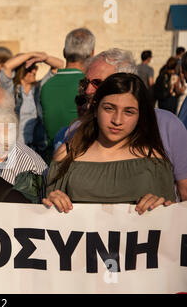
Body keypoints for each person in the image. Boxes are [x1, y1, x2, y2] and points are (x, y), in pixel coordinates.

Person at [44, 73, 175, 215]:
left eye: (129, 112)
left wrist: (161, 207)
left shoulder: (154, 160)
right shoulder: (67, 154)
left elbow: (170, 227)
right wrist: (52, 202)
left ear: (140, 115)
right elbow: (47, 219)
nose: (117, 120)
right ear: (95, 109)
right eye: (109, 108)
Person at [68, 48, 187, 202]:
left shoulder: (168, 125)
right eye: (86, 82)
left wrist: (162, 210)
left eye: (97, 83)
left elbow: (185, 192)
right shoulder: (76, 131)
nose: (88, 90)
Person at [40, 28, 95, 157]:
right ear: (92, 53)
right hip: (79, 157)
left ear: (64, 52)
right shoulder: (89, 86)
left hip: (51, 157)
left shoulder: (46, 85)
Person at [0, 51, 64, 160]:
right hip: (10, 150)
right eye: (30, 68)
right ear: (21, 71)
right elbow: (7, 67)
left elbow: (60, 65)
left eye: (36, 68)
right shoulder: (11, 89)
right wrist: (29, 55)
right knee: (8, 177)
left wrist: (44, 58)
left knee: (35, 177)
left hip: (35, 149)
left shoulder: (38, 88)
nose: (34, 71)